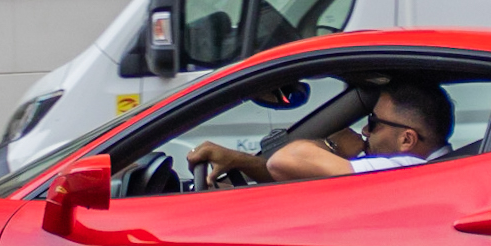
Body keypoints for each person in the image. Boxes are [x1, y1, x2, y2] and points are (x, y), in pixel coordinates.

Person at [187, 79, 454, 186]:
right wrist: (239, 161)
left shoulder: (405, 166)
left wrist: (333, 146)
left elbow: (286, 161)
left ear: (407, 139)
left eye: (373, 123)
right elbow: (297, 172)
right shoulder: (431, 167)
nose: (364, 130)